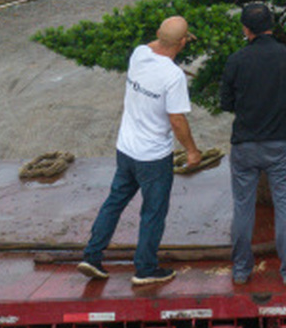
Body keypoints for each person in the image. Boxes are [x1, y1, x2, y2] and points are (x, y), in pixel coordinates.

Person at [79, 16, 203, 288]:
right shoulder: (173, 76)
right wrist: (192, 151)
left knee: (115, 202)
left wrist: (166, 39)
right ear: (182, 43)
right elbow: (177, 120)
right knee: (153, 212)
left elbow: (154, 44)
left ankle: (91, 255)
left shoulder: (139, 53)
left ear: (158, 34)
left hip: (126, 149)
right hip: (153, 157)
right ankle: (145, 268)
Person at [221, 2, 286, 285]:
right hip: (280, 143)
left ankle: (241, 270)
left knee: (243, 207)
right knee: (285, 206)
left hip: (245, 144)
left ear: (245, 29)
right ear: (272, 24)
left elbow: (226, 103)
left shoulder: (236, 60)